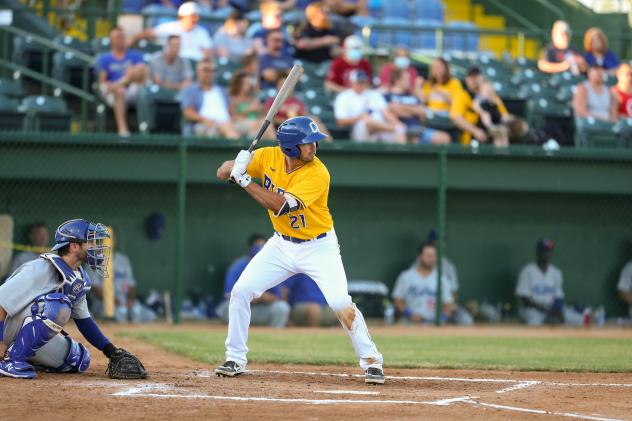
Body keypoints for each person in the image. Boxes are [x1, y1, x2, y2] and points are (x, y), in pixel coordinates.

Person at [214, 116, 385, 384]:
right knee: (240, 291)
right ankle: (234, 357)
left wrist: (245, 181)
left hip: (319, 246)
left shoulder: (318, 172)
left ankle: (372, 361)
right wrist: (236, 164)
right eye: (309, 143)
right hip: (281, 244)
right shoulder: (267, 156)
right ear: (291, 147)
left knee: (341, 304)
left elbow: (280, 206)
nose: (315, 147)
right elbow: (221, 173)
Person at [0, 219, 147, 379]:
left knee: (78, 359)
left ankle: (25, 354)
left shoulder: (78, 278)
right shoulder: (40, 268)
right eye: (90, 242)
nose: (96, 247)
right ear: (74, 245)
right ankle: (11, 360)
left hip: (23, 331)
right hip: (7, 328)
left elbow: (85, 322)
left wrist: (110, 351)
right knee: (58, 306)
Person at [215, 234, 291, 328]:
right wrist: (252, 297)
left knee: (282, 308)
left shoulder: (271, 267)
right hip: (241, 307)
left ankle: (273, 337)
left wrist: (267, 297)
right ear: (250, 248)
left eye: (263, 245)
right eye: (257, 246)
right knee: (228, 307)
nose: (260, 248)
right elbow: (228, 295)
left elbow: (279, 296)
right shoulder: (238, 266)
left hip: (261, 309)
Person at [452, 66, 528, 146]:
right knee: (499, 132)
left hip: (494, 130)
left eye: (476, 77)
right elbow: (457, 118)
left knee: (506, 131)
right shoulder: (462, 95)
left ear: (482, 78)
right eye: (471, 77)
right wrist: (475, 131)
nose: (474, 80)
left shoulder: (493, 97)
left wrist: (515, 121)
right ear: (467, 79)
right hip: (473, 135)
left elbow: (504, 116)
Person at [515, 238, 582, 326]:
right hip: (532, 310)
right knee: (535, 321)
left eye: (549, 251)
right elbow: (524, 299)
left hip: (551, 309)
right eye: (544, 251)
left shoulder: (556, 272)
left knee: (579, 320)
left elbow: (559, 297)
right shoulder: (527, 271)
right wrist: (546, 311)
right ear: (537, 252)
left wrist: (557, 311)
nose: (547, 254)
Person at [97, 26, 149, 137]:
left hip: (132, 89)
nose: (121, 39)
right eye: (117, 37)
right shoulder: (105, 58)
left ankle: (145, 127)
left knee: (141, 74)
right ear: (111, 40)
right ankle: (123, 129)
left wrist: (129, 77)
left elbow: (143, 72)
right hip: (113, 92)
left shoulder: (135, 54)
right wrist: (126, 79)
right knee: (119, 90)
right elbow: (103, 84)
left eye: (122, 36)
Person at [334, 70, 406, 143]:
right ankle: (393, 128)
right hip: (359, 128)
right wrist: (360, 116)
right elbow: (340, 122)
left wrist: (398, 123)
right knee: (366, 122)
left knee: (399, 129)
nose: (362, 84)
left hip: (381, 126)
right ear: (352, 82)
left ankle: (402, 151)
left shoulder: (374, 94)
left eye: (364, 81)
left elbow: (386, 112)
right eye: (359, 82)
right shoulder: (344, 96)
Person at [392, 243, 453, 324]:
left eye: (433, 255)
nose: (431, 258)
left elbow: (448, 305)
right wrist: (410, 314)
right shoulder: (406, 276)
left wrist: (441, 319)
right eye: (428, 255)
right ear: (419, 256)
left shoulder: (442, 279)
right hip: (409, 321)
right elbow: (397, 300)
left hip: (433, 322)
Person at [129, 1, 213, 62]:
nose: (195, 19)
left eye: (196, 16)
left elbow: (207, 52)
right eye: (192, 16)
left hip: (194, 64)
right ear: (182, 17)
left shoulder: (202, 32)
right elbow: (149, 33)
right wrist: (132, 39)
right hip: (174, 63)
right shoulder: (171, 27)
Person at [385, 68, 450, 144]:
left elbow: (423, 112)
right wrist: (414, 111)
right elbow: (392, 110)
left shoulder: (412, 96)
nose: (409, 82)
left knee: (444, 138)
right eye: (406, 79)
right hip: (402, 130)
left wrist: (403, 108)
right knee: (411, 137)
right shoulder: (388, 96)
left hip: (419, 129)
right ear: (397, 80)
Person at [181, 61, 239, 138]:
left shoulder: (222, 91)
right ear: (198, 71)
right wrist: (205, 120)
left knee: (255, 127)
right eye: (206, 70)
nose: (209, 73)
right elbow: (188, 113)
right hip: (203, 125)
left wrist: (234, 119)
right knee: (223, 128)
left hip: (228, 123)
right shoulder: (191, 90)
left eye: (213, 71)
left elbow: (231, 111)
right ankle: (240, 147)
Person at [263, 70, 331, 136]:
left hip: (297, 127)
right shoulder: (272, 101)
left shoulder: (297, 101)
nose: (286, 88)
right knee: (268, 125)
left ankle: (329, 145)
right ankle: (275, 145)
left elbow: (305, 115)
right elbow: (268, 119)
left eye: (289, 85)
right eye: (282, 85)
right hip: (279, 127)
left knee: (314, 119)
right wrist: (287, 122)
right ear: (277, 86)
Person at [229, 71, 276, 139]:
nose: (249, 85)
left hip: (255, 124)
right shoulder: (233, 98)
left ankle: (275, 146)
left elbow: (261, 115)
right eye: (246, 83)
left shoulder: (252, 98)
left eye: (249, 83)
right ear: (239, 84)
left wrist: (259, 110)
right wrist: (249, 110)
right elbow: (232, 117)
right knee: (256, 127)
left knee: (268, 124)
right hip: (241, 124)